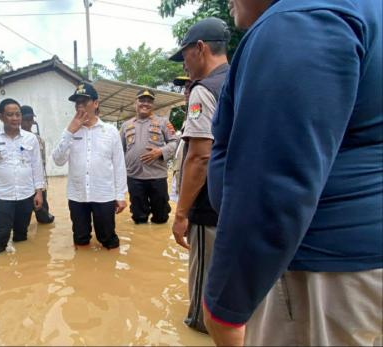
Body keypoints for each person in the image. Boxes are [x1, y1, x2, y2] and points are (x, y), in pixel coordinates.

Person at [202, 1, 382, 346]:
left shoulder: (300, 22)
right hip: (354, 269)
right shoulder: (362, 11)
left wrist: (226, 304)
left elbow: (272, 188)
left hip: (317, 275)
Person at [169, 17, 230, 333]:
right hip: (240, 202)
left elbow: (200, 156)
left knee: (204, 286)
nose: (185, 65)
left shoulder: (204, 90)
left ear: (200, 48)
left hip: (209, 208)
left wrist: (181, 214)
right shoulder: (242, 79)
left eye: (184, 56)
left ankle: (200, 326)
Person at [52, 82, 127, 249]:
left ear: (95, 103)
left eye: (84, 101)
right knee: (80, 238)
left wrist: (120, 195)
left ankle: (109, 272)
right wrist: (70, 131)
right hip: (77, 196)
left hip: (104, 195)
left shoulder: (110, 131)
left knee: (107, 239)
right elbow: (57, 160)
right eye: (77, 102)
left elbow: (119, 165)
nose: (80, 106)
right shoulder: (70, 132)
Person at [0, 98, 44, 254]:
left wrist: (39, 192)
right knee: (0, 237)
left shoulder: (31, 138)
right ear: (1, 117)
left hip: (26, 195)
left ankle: (21, 271)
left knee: (22, 236)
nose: (15, 118)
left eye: (18, 114)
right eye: (10, 115)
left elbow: (37, 165)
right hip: (2, 197)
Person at [120, 89, 178, 224]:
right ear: (135, 103)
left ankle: (158, 244)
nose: (145, 104)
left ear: (153, 104)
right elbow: (119, 151)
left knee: (161, 217)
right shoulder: (125, 125)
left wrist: (161, 151)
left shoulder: (163, 122)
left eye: (149, 101)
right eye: (142, 100)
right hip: (134, 178)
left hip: (157, 177)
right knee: (139, 218)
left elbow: (175, 143)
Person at [20, 105, 55, 224]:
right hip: (22, 185)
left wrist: (41, 186)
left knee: (44, 219)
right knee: (22, 221)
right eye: (26, 119)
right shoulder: (14, 139)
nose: (29, 122)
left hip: (38, 184)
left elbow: (42, 164)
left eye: (31, 119)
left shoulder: (39, 140)